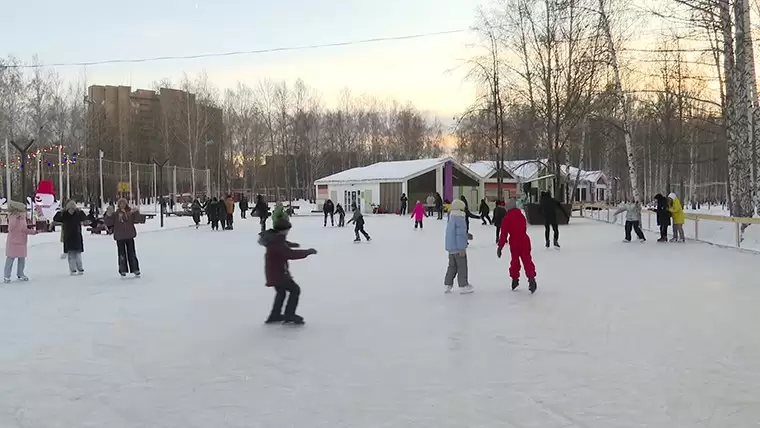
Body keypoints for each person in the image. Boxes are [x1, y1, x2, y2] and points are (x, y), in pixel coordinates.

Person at [258, 217, 317, 325]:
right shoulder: (277, 242)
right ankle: (289, 314)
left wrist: (292, 244)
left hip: (273, 272)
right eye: (287, 230)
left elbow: (283, 244)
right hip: (279, 273)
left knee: (281, 292)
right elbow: (289, 254)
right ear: (282, 230)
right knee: (295, 290)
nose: (288, 232)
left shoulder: (275, 238)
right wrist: (307, 252)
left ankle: (275, 315)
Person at [497, 198, 537, 293]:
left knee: (515, 261)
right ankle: (531, 279)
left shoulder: (506, 219)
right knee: (527, 260)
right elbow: (523, 226)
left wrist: (500, 246)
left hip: (515, 242)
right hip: (525, 240)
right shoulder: (521, 216)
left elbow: (503, 234)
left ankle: (515, 279)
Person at [105, 198, 141, 277]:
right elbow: (109, 223)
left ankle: (135, 269)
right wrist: (108, 215)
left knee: (131, 253)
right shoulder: (115, 214)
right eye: (121, 204)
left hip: (129, 235)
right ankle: (122, 269)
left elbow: (137, 220)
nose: (122, 205)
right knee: (121, 254)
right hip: (120, 236)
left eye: (124, 203)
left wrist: (136, 212)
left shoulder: (130, 213)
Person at [444, 199, 473, 294]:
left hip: (451, 247)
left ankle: (447, 284)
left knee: (452, 266)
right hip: (458, 248)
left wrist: (466, 235)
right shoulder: (459, 217)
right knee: (462, 266)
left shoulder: (451, 217)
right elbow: (459, 234)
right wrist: (462, 247)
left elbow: (453, 233)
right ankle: (463, 285)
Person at [4, 200, 37, 282]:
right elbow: (10, 228)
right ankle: (6, 276)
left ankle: (20, 273)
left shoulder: (23, 218)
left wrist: (33, 232)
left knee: (21, 259)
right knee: (10, 259)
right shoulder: (12, 217)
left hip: (22, 241)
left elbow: (24, 229)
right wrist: (16, 219)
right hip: (13, 242)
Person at [54, 200, 87, 275]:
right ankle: (73, 269)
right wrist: (61, 211)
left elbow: (84, 217)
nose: (71, 211)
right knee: (71, 255)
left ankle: (80, 268)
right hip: (68, 237)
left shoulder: (78, 214)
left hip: (77, 236)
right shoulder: (64, 214)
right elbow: (56, 218)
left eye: (73, 209)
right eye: (70, 209)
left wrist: (80, 211)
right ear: (67, 209)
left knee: (78, 255)